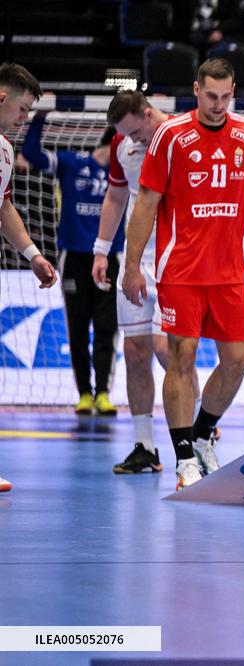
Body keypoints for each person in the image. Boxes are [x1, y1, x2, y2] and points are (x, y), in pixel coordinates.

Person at [121, 58, 244, 489]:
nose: (218, 105)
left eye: (226, 96)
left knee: (238, 361)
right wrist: (131, 266)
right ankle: (184, 459)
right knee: (180, 359)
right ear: (196, 90)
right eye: (211, 96)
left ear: (233, 91)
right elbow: (145, 203)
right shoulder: (171, 136)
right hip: (180, 271)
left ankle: (202, 436)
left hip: (230, 273)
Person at [94, 90, 201, 475]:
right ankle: (144, 446)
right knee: (136, 351)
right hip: (137, 259)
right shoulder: (123, 144)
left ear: (149, 112)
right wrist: (101, 250)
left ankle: (198, 434)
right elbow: (115, 197)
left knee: (165, 349)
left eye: (137, 132)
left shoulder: (183, 135)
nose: (134, 140)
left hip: (178, 259)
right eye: (127, 135)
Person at [20, 113, 123, 417]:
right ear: (114, 143)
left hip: (108, 259)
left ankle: (103, 393)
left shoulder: (123, 173)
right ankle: (84, 394)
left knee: (107, 328)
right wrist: (39, 116)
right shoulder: (72, 163)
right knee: (78, 328)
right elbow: (31, 155)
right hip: (75, 259)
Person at [0, 62, 59, 494]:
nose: (24, 120)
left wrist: (33, 255)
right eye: (22, 110)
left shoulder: (4, 152)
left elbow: (3, 209)